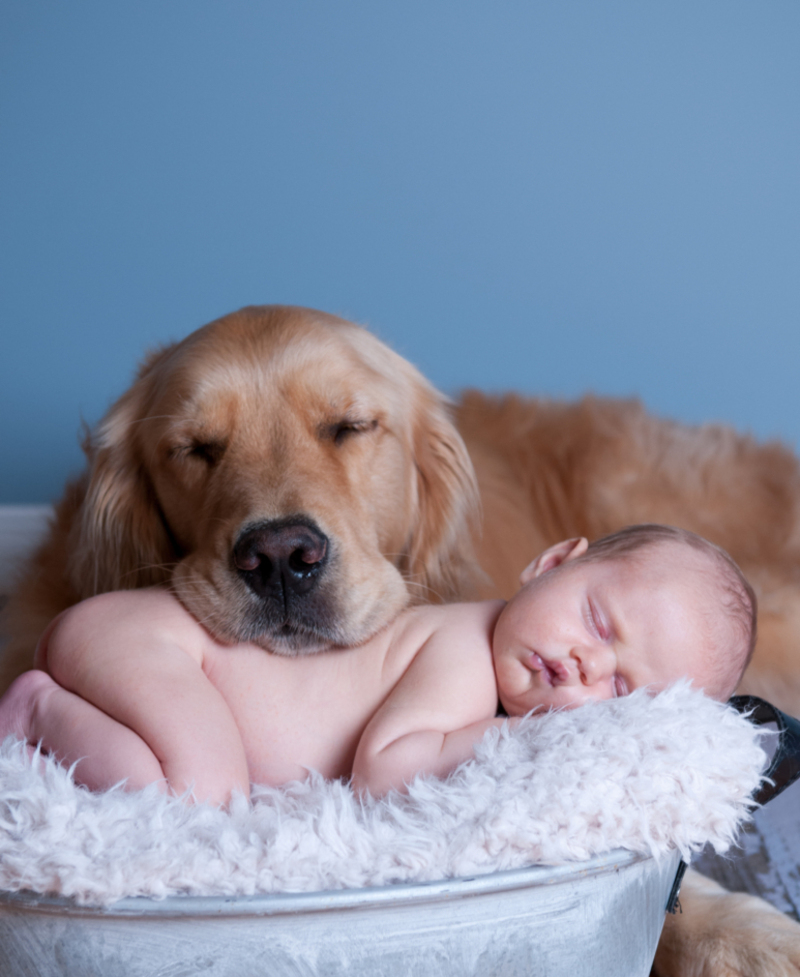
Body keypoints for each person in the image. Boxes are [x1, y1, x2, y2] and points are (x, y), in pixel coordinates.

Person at [0, 524, 756, 805]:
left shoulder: (492, 673)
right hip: (160, 645)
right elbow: (386, 770)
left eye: (620, 687)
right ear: (552, 561)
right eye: (596, 619)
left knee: (173, 782)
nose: (583, 665)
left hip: (148, 656)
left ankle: (57, 716)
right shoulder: (465, 648)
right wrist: (529, 738)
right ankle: (35, 709)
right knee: (203, 794)